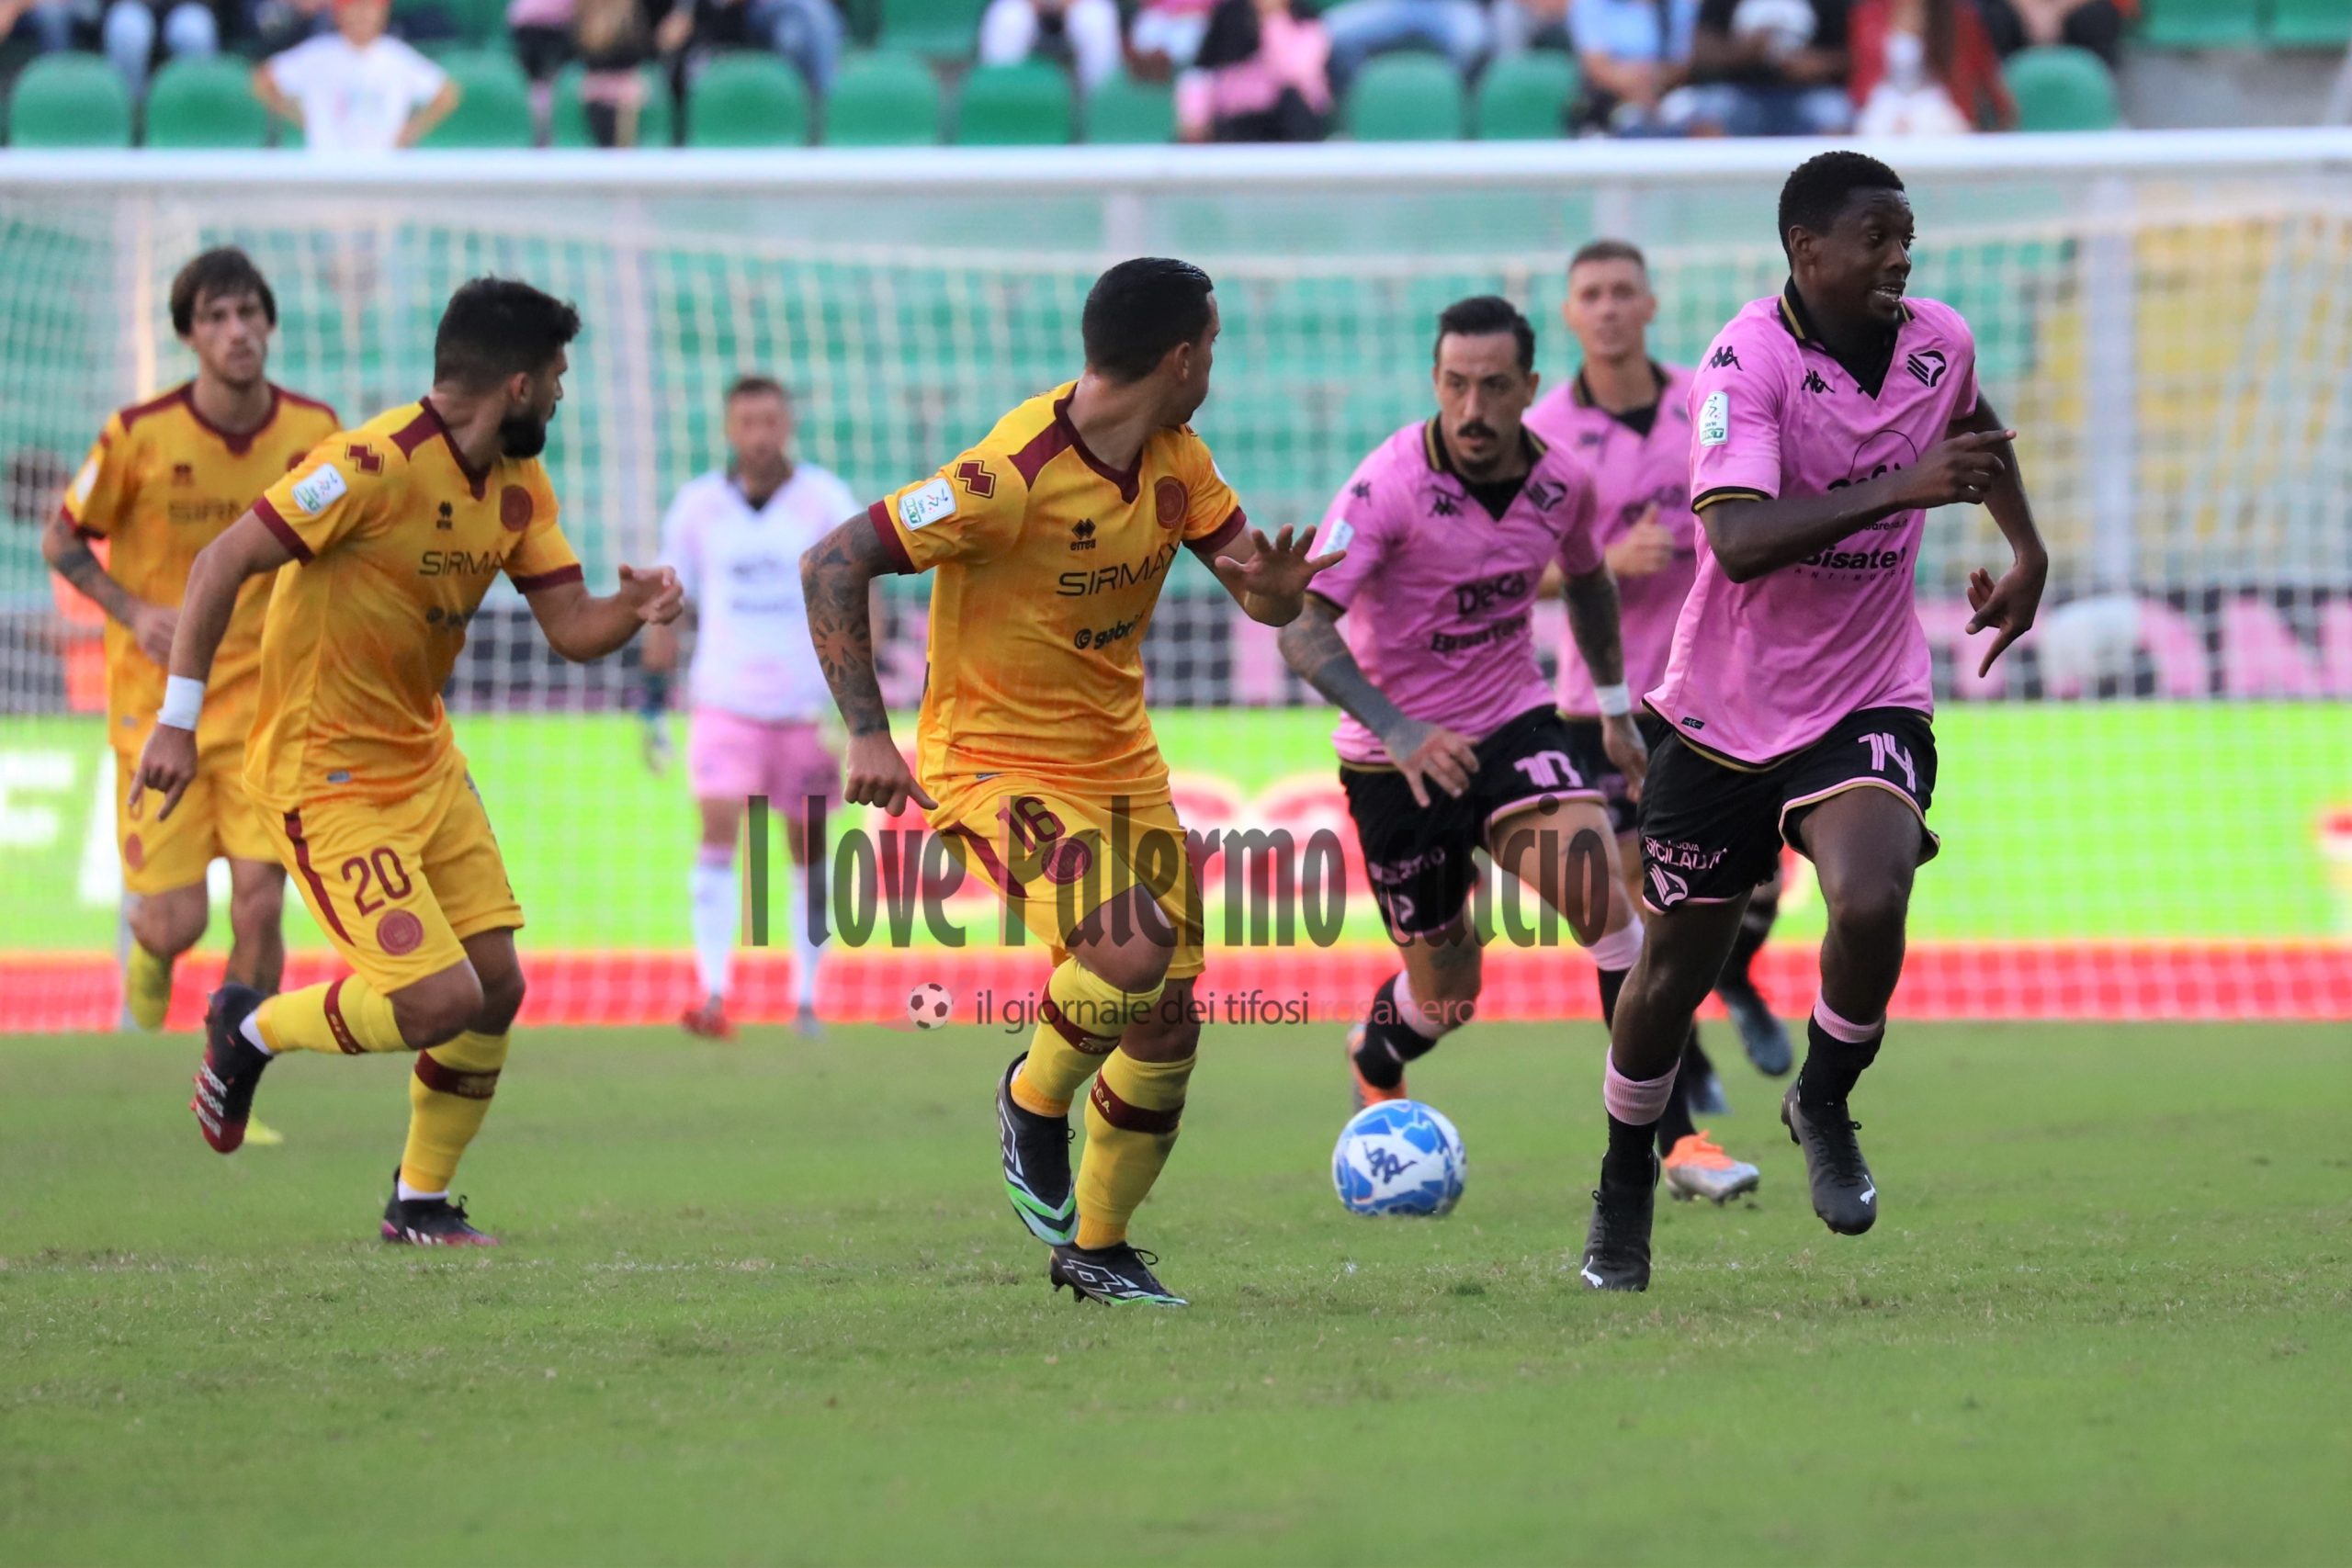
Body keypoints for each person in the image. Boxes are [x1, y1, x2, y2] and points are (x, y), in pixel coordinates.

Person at [799, 258, 1337, 1306]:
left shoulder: (1179, 460)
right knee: (1127, 949)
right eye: (1213, 349)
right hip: (993, 762)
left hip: (1120, 765)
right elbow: (830, 561)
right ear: (1181, 358)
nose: (1213, 368)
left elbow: (1252, 588)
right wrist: (866, 732)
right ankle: (1032, 1099)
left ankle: (1097, 1245)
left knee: (1169, 1017)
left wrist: (1271, 597)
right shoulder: (1006, 476)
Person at [132, 277, 684, 1246]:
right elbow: (220, 563)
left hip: (425, 763)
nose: (562, 395)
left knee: (497, 985)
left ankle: (419, 1200)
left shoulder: (517, 485)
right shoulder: (365, 467)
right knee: (436, 1000)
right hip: (326, 774)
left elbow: (568, 626)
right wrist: (175, 722)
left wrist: (633, 611)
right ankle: (249, 1029)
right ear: (515, 384)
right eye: (555, 377)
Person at [1577, 152, 2047, 1290]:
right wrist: (1900, 488)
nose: (1900, 257)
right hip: (1722, 712)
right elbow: (1733, 543)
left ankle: (1822, 1101)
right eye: (1878, 237)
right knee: (1667, 976)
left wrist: (2026, 548)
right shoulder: (1747, 361)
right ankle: (1624, 1179)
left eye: (1907, 237)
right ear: (1807, 251)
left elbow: (1969, 428)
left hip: (1869, 688)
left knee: (1874, 891)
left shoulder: (1939, 336)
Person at [1275, 295, 1651, 1142]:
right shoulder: (1386, 487)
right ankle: (1377, 1054)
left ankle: (1671, 1140)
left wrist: (1616, 709)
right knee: (1448, 995)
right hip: (1393, 757)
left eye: (1492, 386)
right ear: (1435, 382)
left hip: (1513, 721)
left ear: (1530, 386)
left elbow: (1589, 580)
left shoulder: (1561, 483)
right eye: (1455, 386)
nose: (1473, 409)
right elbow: (1301, 624)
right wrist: (1400, 729)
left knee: (1604, 902)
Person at [44, 251, 339, 1122]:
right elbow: (62, 538)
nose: (237, 331)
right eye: (216, 317)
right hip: (156, 711)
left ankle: (231, 1076)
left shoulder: (316, 431)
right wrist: (130, 608)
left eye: (249, 313)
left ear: (270, 322)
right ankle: (150, 968)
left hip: (267, 711)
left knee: (259, 902)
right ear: (188, 334)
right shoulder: (138, 434)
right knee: (173, 924)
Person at [1526, 241, 1775, 1203]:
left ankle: (1728, 997)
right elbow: (1514, 567)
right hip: (1603, 702)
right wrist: (1595, 566)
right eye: (1591, 293)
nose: (1610, 308)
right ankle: (1679, 1104)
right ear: (1571, 312)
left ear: (1651, 303)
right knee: (1638, 912)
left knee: (1752, 884)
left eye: (1624, 291)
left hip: (1723, 688)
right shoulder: (1542, 430)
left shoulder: (1702, 404)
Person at [643, 376, 856, 1040]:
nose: (760, 434)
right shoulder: (697, 507)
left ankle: (806, 999)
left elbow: (862, 590)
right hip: (724, 701)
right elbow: (664, 602)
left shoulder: (824, 501)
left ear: (786, 425)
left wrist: (858, 699)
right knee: (715, 831)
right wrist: (652, 704)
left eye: (771, 421)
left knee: (809, 847)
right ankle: (713, 990)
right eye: (747, 422)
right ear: (729, 429)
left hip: (804, 706)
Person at [251, 0, 458, 153]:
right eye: (354, 9)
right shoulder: (318, 54)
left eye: (369, 10)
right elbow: (264, 80)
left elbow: (446, 93)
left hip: (383, 170)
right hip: (327, 169)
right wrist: (303, 118)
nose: (362, 16)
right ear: (339, 14)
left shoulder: (396, 57)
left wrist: (411, 130)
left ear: (382, 14)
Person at [1683, 0, 1852, 137]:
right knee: (1708, 113)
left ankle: (1826, 178)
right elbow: (1701, 52)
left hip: (1808, 92)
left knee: (1834, 113)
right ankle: (1714, 177)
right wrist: (1743, 52)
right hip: (1740, 90)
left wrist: (1813, 64)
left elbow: (1852, 54)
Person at [1174, 0, 1330, 142]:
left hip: (1286, 119)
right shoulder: (1228, 15)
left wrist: (1273, 18)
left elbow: (1295, 73)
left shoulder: (1306, 19)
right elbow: (1202, 70)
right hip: (1235, 121)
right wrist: (1195, 114)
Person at [1849, 0, 2015, 134]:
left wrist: (2001, 108)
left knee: (1935, 125)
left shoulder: (1958, 16)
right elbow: (1862, 72)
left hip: (1937, 99)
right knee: (1878, 128)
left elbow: (1981, 67)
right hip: (1885, 99)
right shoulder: (1868, 14)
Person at [1316, 0, 1489, 92]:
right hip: (1397, 5)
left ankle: (1445, 98)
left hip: (1447, 6)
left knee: (1472, 40)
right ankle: (1369, 97)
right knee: (1331, 31)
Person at [977, 0, 1123, 94]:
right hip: (1024, 5)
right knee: (1008, 18)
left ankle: (1100, 104)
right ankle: (1001, 101)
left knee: (1096, 18)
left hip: (1080, 4)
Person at [1973, 0, 2124, 68]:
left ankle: (2093, 92)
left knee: (2096, 16)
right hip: (2020, 9)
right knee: (1996, 17)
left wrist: (2056, 12)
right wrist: (2032, 12)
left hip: (2072, 8)